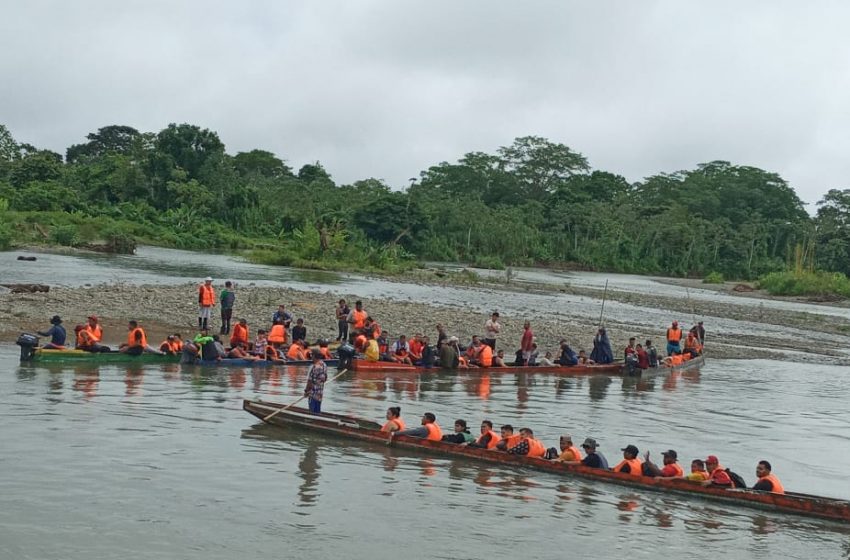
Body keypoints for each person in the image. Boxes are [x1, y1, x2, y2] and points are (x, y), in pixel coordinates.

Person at [304, 350, 328, 414]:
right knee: (317, 412)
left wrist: (306, 391)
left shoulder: (314, 367)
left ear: (314, 356)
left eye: (312, 355)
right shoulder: (324, 365)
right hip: (320, 394)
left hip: (313, 394)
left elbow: (310, 381)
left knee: (312, 412)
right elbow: (325, 378)